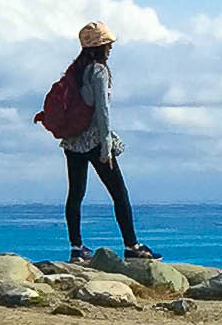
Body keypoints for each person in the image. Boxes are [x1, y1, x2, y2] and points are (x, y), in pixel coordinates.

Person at [34, 22, 153, 262]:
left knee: (76, 194)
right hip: (95, 140)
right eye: (107, 44)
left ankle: (76, 249)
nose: (110, 48)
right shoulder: (98, 70)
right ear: (100, 46)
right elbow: (102, 109)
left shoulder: (75, 70)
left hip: (72, 142)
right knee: (119, 193)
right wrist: (107, 145)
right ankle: (132, 246)